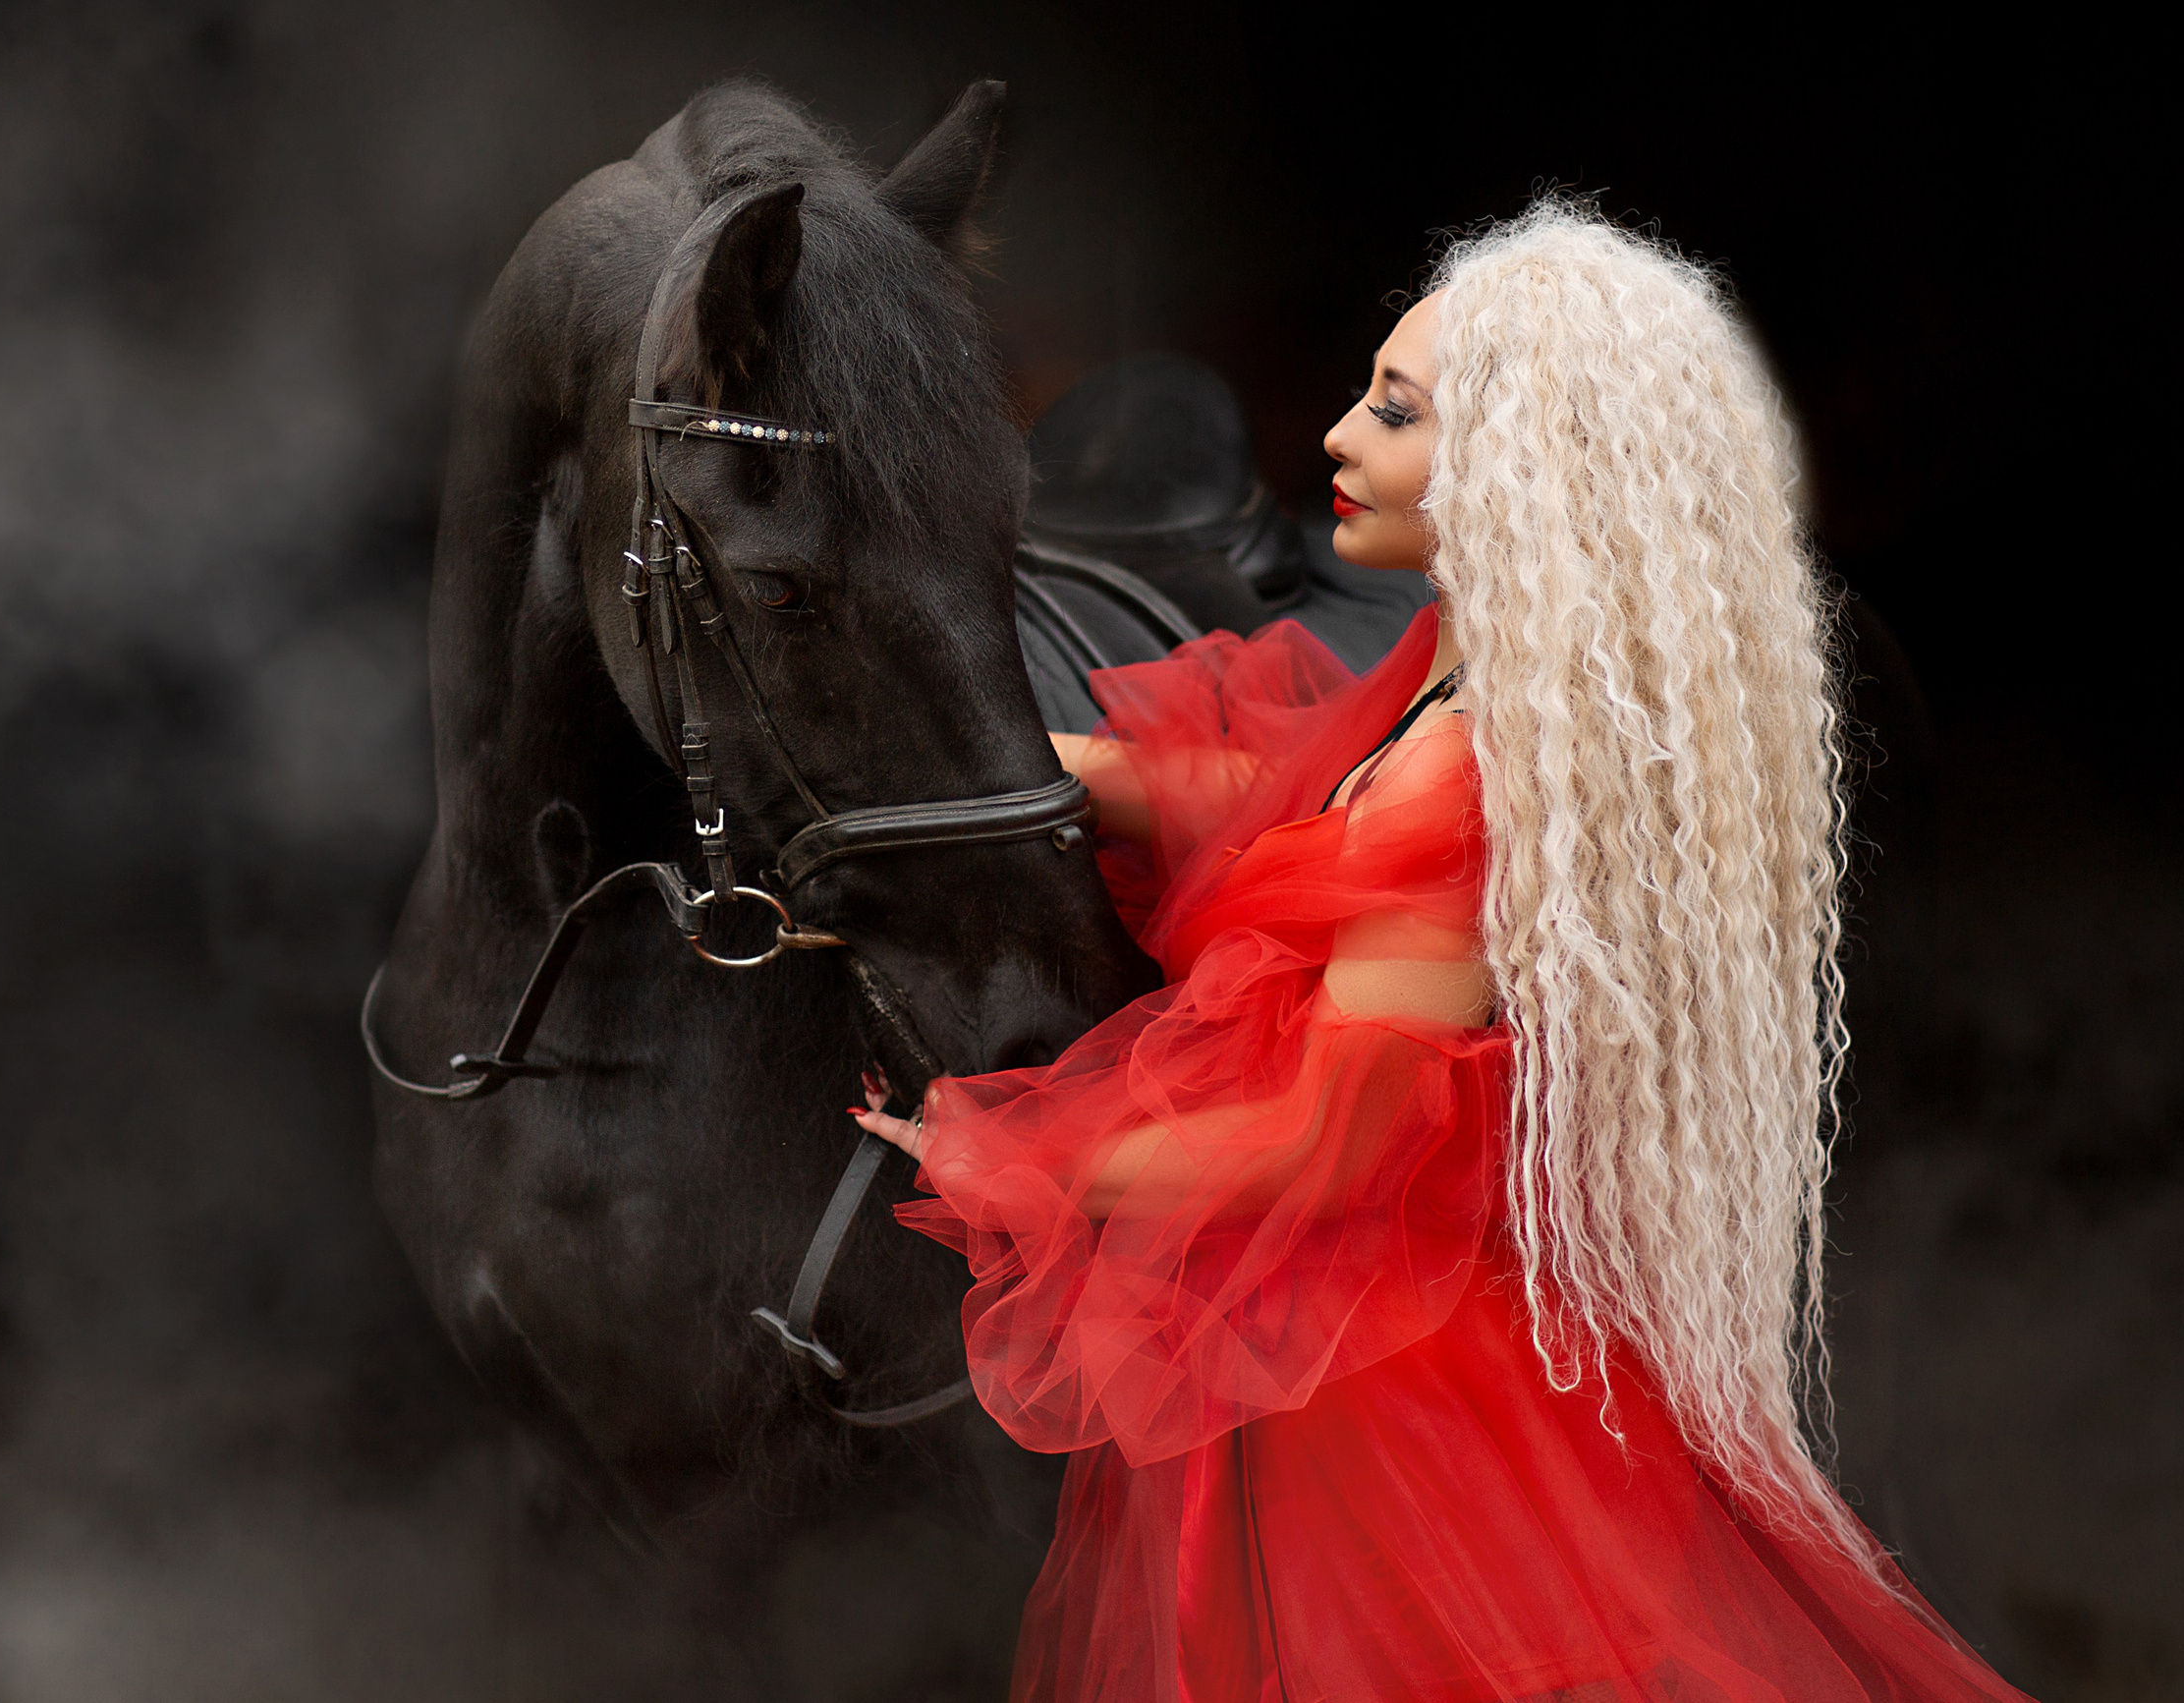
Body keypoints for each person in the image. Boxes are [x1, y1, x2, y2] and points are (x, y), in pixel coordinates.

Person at [852, 201, 2033, 1702]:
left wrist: (1009, 1157)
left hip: (1382, 1399)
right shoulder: (1451, 692)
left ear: (1525, 467)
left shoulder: (1464, 767)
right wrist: (1063, 770)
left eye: (1398, 413)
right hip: (1356, 1348)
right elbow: (1291, 797)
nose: (1338, 437)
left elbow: (1318, 1135)